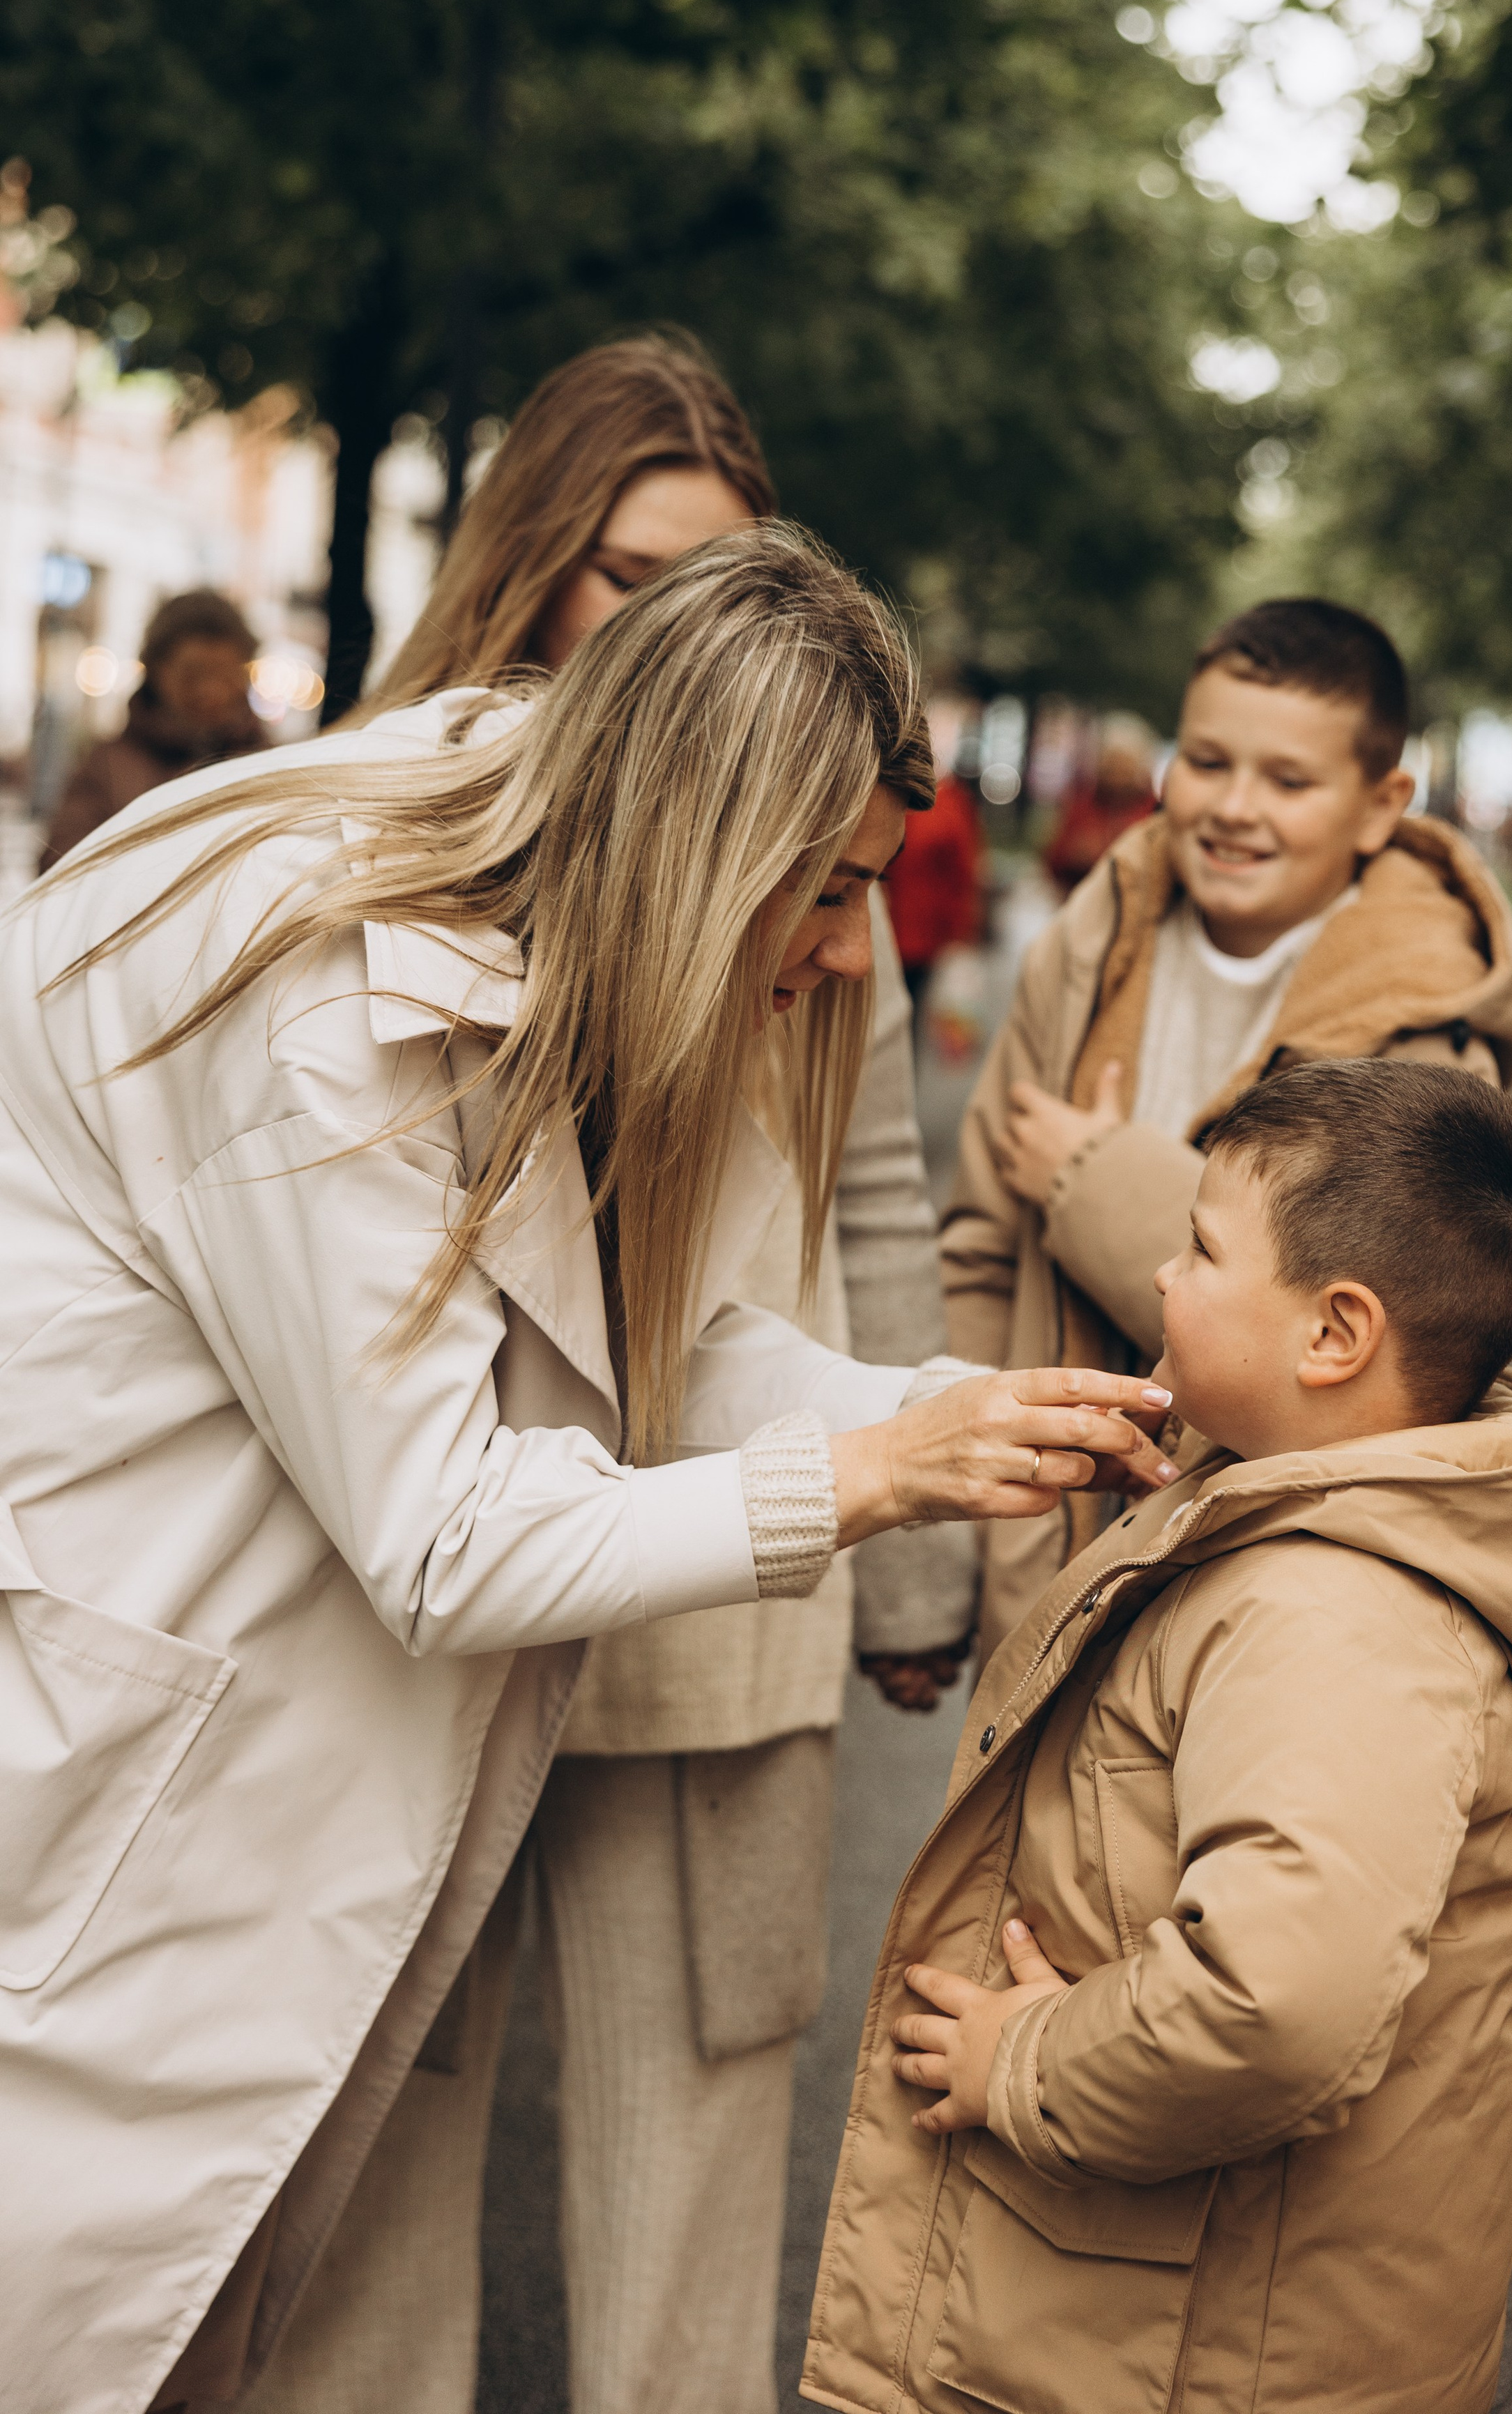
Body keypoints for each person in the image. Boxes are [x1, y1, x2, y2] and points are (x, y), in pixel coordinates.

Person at [0, 524, 1181, 2414]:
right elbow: (447, 1539)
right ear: (716, 838)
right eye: (826, 897)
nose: (837, 957)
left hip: (252, 1724)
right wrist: (870, 1477)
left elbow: (671, 1342)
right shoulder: (318, 986)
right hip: (138, 1724)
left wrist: (945, 1416)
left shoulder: (553, 887)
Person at [279, 334, 968, 2414]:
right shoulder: (387, 841)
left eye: (718, 577)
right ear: (529, 566)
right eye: (634, 573)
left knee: (693, 2155)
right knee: (380, 2154)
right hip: (436, 1595)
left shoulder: (812, 870)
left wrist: (919, 1554)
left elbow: (869, 1187)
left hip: (723, 1611)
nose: (674, 631)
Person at [802, 1059, 1512, 2414]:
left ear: (1332, 1336)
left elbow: (1276, 2003)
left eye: (1198, 1249)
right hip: (1165, 2315)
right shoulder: (1278, 1507)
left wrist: (1017, 2061)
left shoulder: (1335, 1615)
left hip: (1217, 2352)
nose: (1159, 1280)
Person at [942, 597, 1512, 1655]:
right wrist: (940, 1553)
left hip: (1259, 1590)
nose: (1235, 807)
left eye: (1291, 781)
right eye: (1207, 762)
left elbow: (1359, 1352)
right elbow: (982, 1255)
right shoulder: (1086, 949)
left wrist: (1095, 1176)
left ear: (1379, 803)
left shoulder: (1430, 1038)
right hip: (1043, 1560)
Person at [38, 587, 265, 869]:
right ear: (158, 672)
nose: (210, 691)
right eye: (192, 674)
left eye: (224, 673)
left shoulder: (268, 763)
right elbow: (59, 868)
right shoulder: (106, 768)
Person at [881, 766, 983, 1014]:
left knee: (909, 1008)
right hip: (888, 926)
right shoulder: (892, 794)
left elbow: (964, 875)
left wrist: (962, 933)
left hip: (923, 935)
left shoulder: (949, 803)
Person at [1039, 724, 1157, 896]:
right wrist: (1073, 854)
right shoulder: (1081, 804)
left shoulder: (1153, 811)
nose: (1117, 773)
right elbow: (1053, 858)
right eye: (1112, 763)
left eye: (1124, 765)